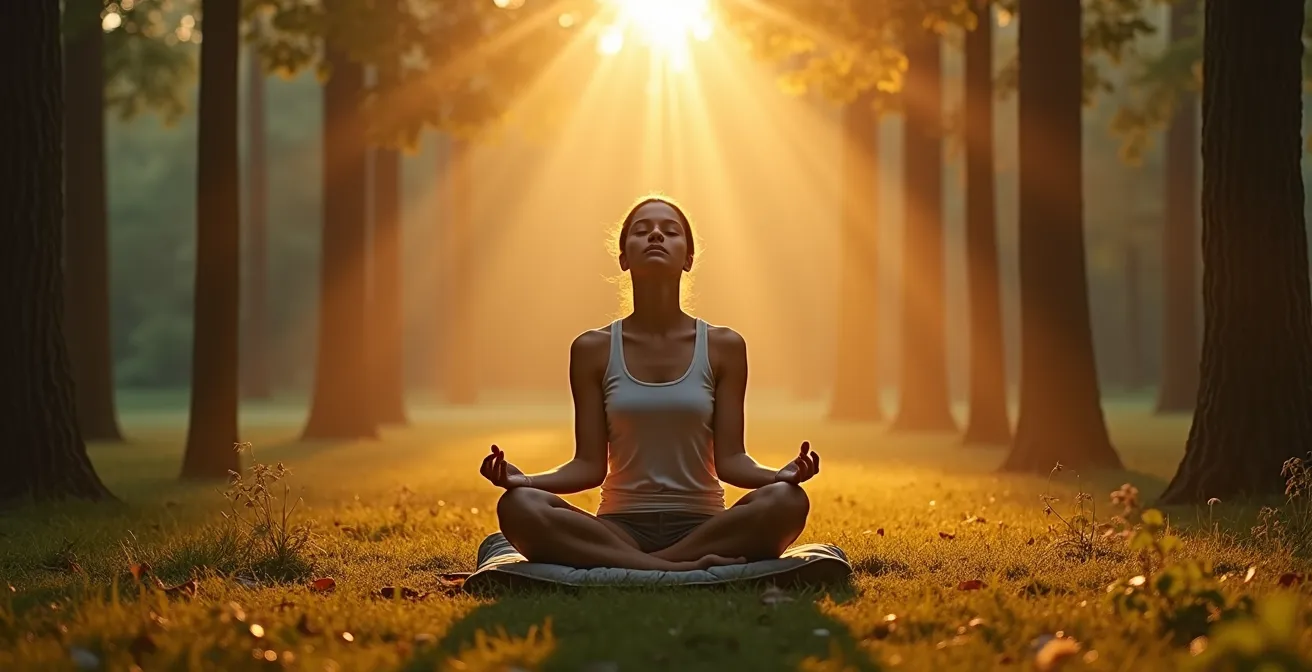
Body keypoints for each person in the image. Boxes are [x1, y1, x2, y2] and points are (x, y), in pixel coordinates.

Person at [479, 196, 819, 572]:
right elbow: (588, 466)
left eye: (670, 231)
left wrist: (780, 476)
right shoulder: (592, 349)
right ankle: (676, 569)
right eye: (641, 231)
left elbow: (732, 461)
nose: (655, 235)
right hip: (620, 527)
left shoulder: (724, 346)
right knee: (519, 505)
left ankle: (638, 566)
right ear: (624, 257)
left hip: (705, 526)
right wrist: (523, 479)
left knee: (787, 501)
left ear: (688, 258)